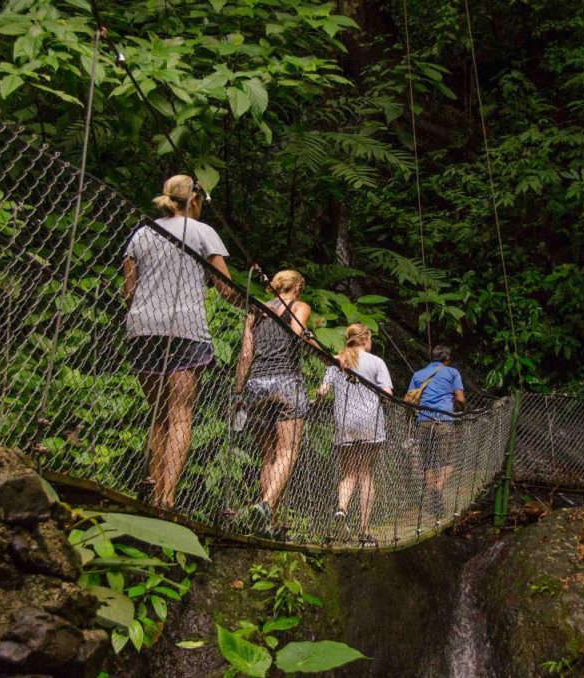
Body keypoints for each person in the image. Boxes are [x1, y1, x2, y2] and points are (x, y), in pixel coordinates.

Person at [123, 174, 239, 510]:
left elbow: (129, 292)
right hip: (185, 329)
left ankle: (153, 480)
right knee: (180, 414)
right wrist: (253, 308)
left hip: (143, 327)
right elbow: (226, 289)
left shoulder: (142, 233)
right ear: (196, 200)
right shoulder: (203, 232)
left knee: (158, 413)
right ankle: (167, 496)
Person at [232, 270, 314, 534]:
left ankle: (267, 521)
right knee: (287, 452)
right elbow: (296, 332)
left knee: (268, 454)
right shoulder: (300, 306)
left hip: (256, 385)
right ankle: (266, 505)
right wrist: (309, 337)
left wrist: (238, 392)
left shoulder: (255, 311)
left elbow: (246, 355)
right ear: (298, 287)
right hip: (287, 383)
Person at [317, 323, 393, 546]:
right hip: (370, 421)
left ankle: (341, 510)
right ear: (366, 339)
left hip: (345, 421)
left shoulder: (336, 360)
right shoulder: (376, 362)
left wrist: (317, 401)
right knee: (366, 474)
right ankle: (364, 531)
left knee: (349, 473)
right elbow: (387, 393)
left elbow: (323, 390)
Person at [408, 345, 465, 521]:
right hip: (444, 421)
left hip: (424, 421)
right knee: (450, 460)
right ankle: (438, 489)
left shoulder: (418, 375)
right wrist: (461, 410)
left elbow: (409, 400)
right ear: (447, 358)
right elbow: (460, 398)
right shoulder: (452, 372)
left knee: (427, 463)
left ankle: (433, 492)